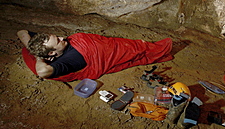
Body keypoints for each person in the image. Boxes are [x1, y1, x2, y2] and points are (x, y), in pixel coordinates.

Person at [17, 30, 174, 82]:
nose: (62, 38)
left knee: (123, 44)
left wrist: (34, 51)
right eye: (57, 41)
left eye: (57, 36)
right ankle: (160, 48)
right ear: (51, 53)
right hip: (105, 53)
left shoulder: (42, 49)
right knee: (138, 49)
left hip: (105, 44)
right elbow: (42, 72)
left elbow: (22, 32)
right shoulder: (70, 60)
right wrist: (39, 57)